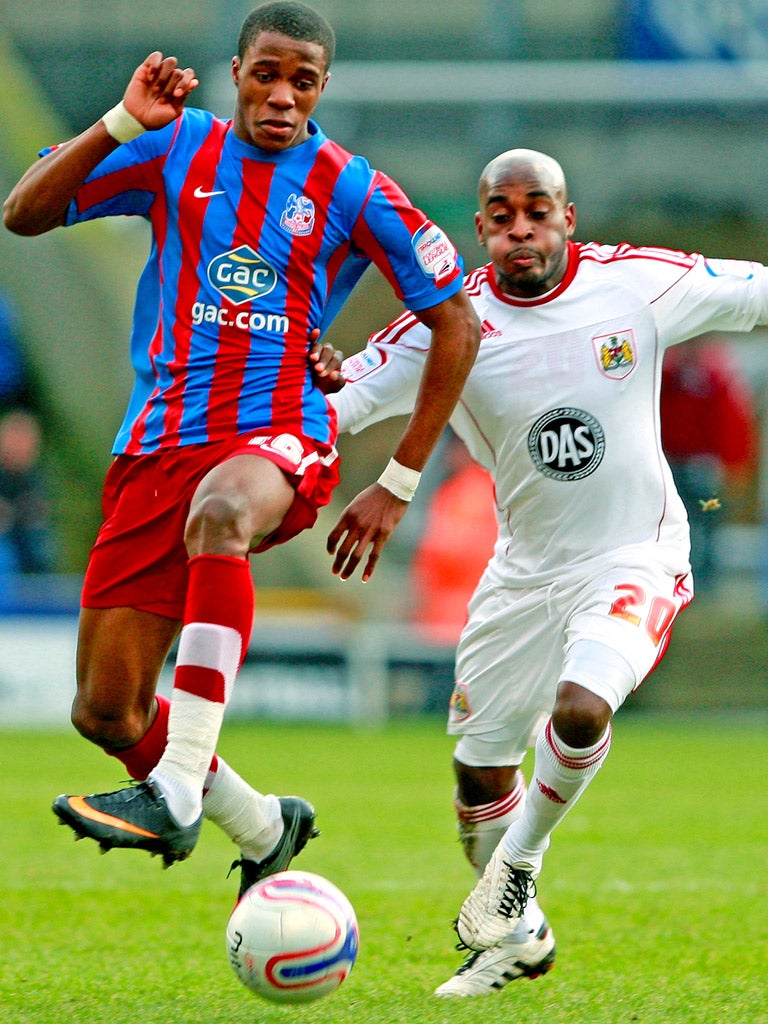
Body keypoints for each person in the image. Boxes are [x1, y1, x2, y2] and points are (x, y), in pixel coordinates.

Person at [2, 1, 479, 891]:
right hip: (155, 446)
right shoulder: (172, 144)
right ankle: (262, 828)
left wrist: (400, 479)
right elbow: (23, 214)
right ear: (237, 71)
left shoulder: (354, 187)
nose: (283, 95)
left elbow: (455, 322)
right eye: (267, 73)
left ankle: (181, 783)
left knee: (222, 513)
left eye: (304, 80)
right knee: (106, 711)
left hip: (277, 433)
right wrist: (118, 122)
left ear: (323, 88)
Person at [328, 147, 768, 997]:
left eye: (539, 210)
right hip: (522, 577)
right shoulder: (448, 322)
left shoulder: (636, 284)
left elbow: (756, 291)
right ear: (483, 226)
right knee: (480, 775)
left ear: (568, 218)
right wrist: (307, 392)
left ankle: (516, 869)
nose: (521, 228)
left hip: (633, 553)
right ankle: (519, 940)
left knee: (581, 705)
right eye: (503, 214)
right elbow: (345, 402)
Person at [660, 333, 758, 593]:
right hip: (672, 465)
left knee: (706, 524)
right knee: (679, 524)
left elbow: (731, 423)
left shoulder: (716, 375)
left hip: (705, 469)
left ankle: (704, 587)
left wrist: (734, 467)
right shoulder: (668, 375)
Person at [409, 428, 497, 644]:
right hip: (488, 624)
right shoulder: (502, 492)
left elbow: (430, 565)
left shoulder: (458, 493)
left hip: (447, 627)